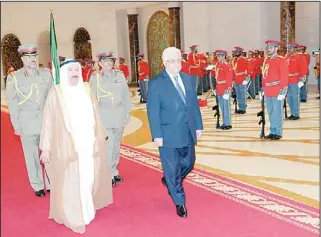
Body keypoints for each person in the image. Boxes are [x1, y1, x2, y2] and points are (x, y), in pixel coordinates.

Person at [39, 59, 113, 234]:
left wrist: (99, 137)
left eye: (76, 69)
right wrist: (46, 148)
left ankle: (86, 208)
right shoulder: (56, 93)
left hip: (87, 142)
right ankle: (72, 213)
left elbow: (96, 115)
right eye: (70, 70)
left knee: (88, 176)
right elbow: (48, 122)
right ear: (64, 73)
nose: (74, 72)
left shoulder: (87, 89)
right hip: (66, 146)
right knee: (71, 178)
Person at [147, 47, 203, 218]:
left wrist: (198, 126)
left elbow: (193, 105)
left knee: (189, 163)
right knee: (172, 169)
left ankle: (171, 182)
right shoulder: (156, 82)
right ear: (164, 63)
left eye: (178, 60)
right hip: (168, 133)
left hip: (187, 131)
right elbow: (153, 111)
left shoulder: (188, 79)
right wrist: (157, 135)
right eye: (172, 61)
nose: (176, 64)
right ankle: (179, 201)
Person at [6, 44, 53, 197]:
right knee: (31, 155)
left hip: (46, 122)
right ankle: (38, 184)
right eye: (28, 57)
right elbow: (13, 104)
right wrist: (16, 125)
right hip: (27, 123)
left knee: (49, 153)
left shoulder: (46, 74)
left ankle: (51, 181)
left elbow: (53, 98)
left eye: (34, 56)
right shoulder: (14, 78)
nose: (32, 60)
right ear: (22, 59)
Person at [89, 50, 132, 187]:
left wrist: (127, 113)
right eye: (105, 61)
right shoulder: (95, 78)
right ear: (100, 63)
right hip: (105, 117)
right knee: (109, 145)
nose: (108, 64)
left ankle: (114, 170)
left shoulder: (119, 75)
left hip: (119, 116)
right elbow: (92, 100)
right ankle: (107, 174)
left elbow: (125, 96)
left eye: (110, 61)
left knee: (116, 145)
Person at [262, 40, 289, 140]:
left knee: (277, 111)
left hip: (277, 89)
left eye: (271, 47)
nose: (269, 49)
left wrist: (283, 90)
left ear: (276, 48)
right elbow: (264, 75)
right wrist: (263, 88)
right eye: (268, 48)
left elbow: (284, 76)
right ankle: (272, 131)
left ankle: (278, 131)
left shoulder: (281, 60)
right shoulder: (266, 60)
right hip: (268, 89)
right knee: (270, 111)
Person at [285, 42, 307, 120]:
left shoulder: (300, 57)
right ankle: (292, 113)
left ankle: (296, 114)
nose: (289, 49)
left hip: (295, 79)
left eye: (290, 48)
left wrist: (302, 80)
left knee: (295, 97)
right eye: (288, 48)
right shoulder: (287, 56)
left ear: (295, 49)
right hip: (287, 80)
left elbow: (303, 68)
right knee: (289, 97)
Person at [214, 50, 233, 130]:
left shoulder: (227, 65)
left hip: (225, 88)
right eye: (217, 56)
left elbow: (229, 78)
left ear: (223, 56)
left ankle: (228, 123)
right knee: (222, 107)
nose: (217, 57)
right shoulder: (217, 65)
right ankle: (224, 122)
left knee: (226, 107)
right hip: (219, 88)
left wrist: (228, 89)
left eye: (219, 56)